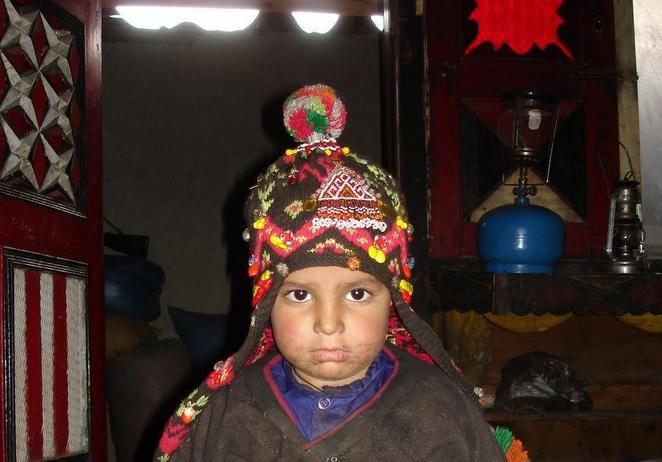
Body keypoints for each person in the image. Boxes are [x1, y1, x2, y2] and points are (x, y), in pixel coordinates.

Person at [154, 84, 527, 461]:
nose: (328, 323)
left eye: (358, 294)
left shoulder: (440, 411)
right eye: (299, 295)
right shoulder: (228, 415)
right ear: (266, 302)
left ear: (395, 301)